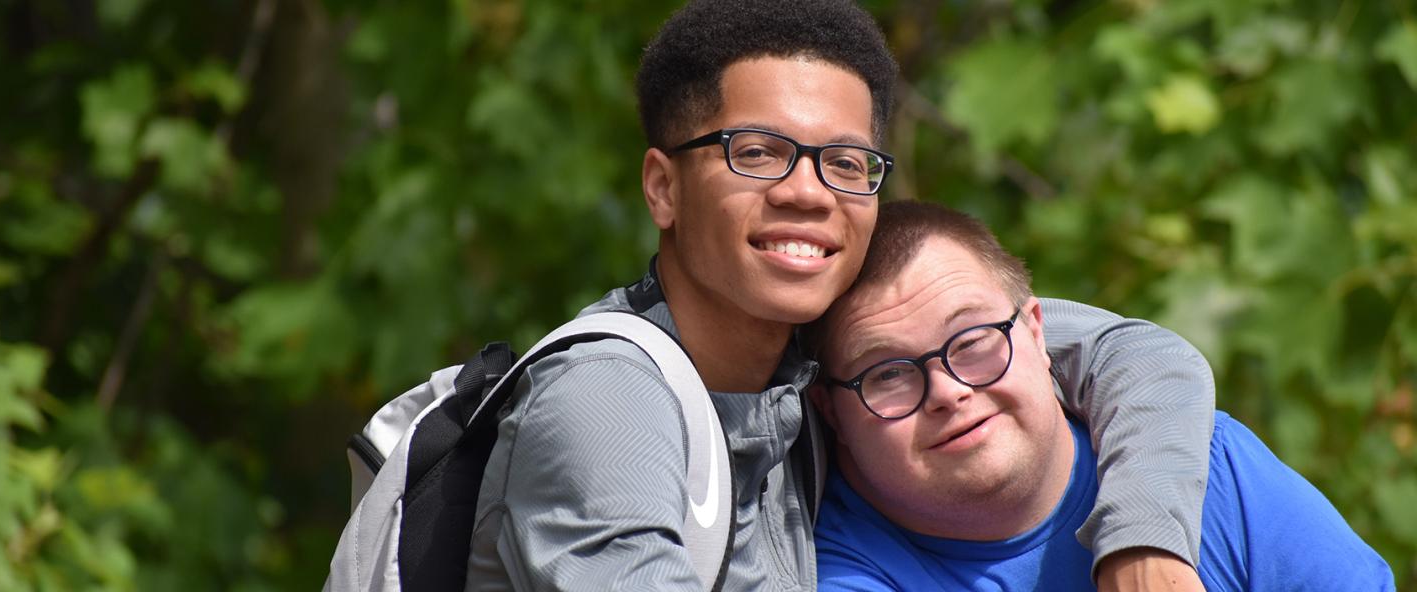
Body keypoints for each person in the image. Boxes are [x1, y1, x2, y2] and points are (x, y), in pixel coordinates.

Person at [464, 0, 1219, 589]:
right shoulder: (605, 401)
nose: (808, 192)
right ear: (664, 188)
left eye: (847, 163)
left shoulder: (833, 352)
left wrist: (1143, 542)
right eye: (756, 153)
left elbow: (1134, 353)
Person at [810, 200, 1394, 591]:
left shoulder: (1206, 469)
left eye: (974, 340)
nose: (949, 391)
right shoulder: (839, 572)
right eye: (886, 374)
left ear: (1039, 332)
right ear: (830, 410)